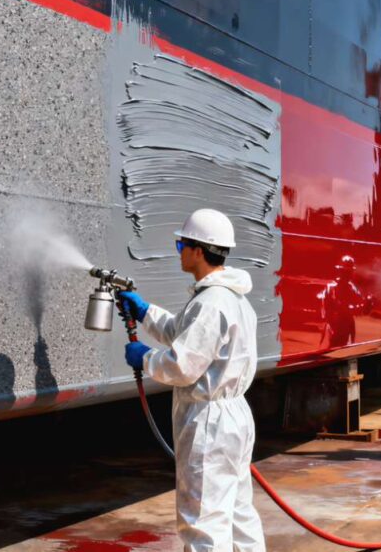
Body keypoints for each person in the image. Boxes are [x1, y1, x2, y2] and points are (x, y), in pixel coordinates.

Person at [118, 208, 265, 552]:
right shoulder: (230, 298)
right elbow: (185, 334)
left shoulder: (211, 303)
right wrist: (145, 312)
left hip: (210, 423)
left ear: (198, 250)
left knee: (203, 521)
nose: (179, 251)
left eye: (181, 245)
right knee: (238, 514)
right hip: (233, 416)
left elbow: (182, 366)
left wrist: (145, 358)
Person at [317, 255, 374, 348]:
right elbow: (330, 310)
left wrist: (368, 303)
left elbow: (361, 308)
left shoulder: (351, 288)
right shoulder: (332, 288)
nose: (349, 274)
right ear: (341, 271)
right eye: (346, 272)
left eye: (349, 272)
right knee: (330, 352)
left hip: (346, 328)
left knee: (343, 351)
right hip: (334, 328)